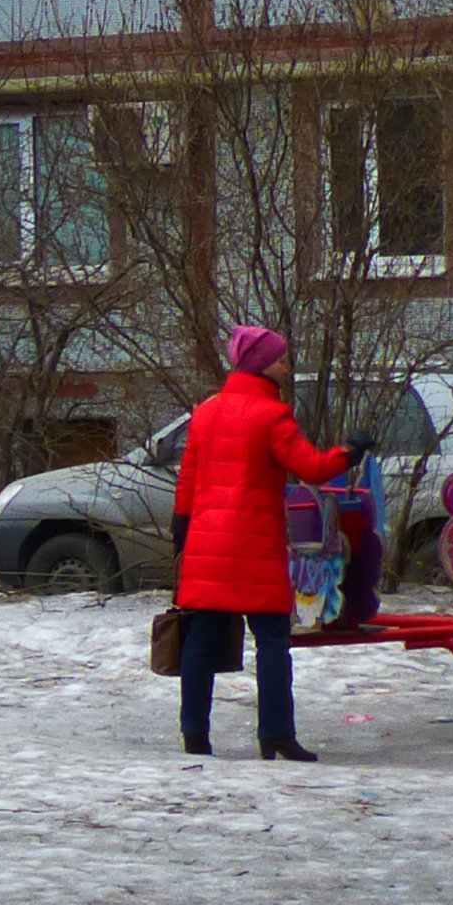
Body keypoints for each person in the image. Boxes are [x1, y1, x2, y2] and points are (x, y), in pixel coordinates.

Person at [170, 322, 360, 760]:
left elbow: (190, 474)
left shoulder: (207, 411)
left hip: (208, 542)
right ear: (259, 364)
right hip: (253, 544)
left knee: (201, 637)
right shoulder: (272, 415)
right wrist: (349, 453)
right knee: (272, 640)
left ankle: (194, 733)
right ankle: (275, 733)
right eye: (278, 359)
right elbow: (310, 468)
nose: (284, 366)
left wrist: (182, 526)